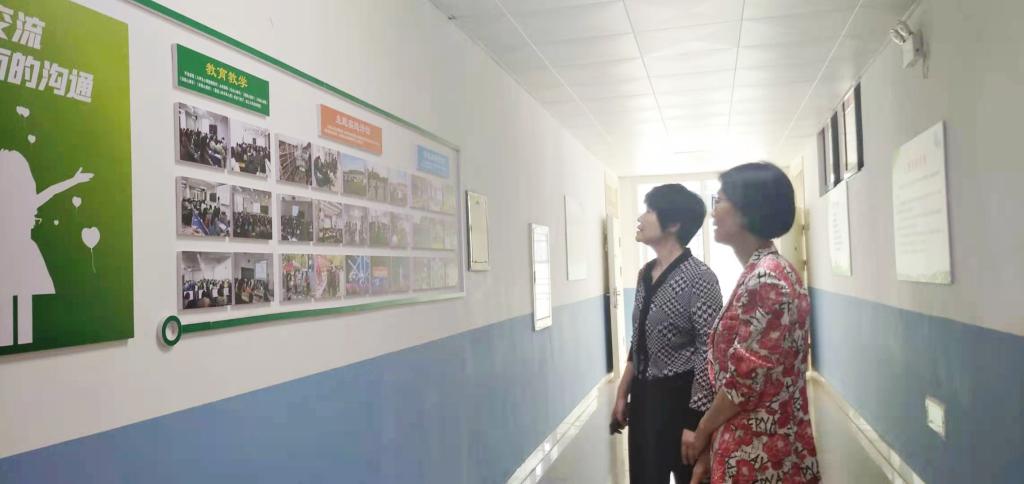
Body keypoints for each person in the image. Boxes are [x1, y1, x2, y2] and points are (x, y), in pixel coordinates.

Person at [683, 162, 820, 483]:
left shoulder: (766, 280)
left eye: (720, 200)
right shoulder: (768, 271)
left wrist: (701, 432)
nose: (713, 212)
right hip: (760, 442)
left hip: (759, 452)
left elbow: (743, 384)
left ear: (747, 210)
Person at [610, 184, 723, 484]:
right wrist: (623, 392)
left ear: (673, 223)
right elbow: (638, 340)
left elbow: (709, 352)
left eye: (649, 210)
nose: (640, 217)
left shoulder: (700, 278)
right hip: (644, 400)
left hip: (682, 400)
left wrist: (695, 422)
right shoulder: (645, 274)